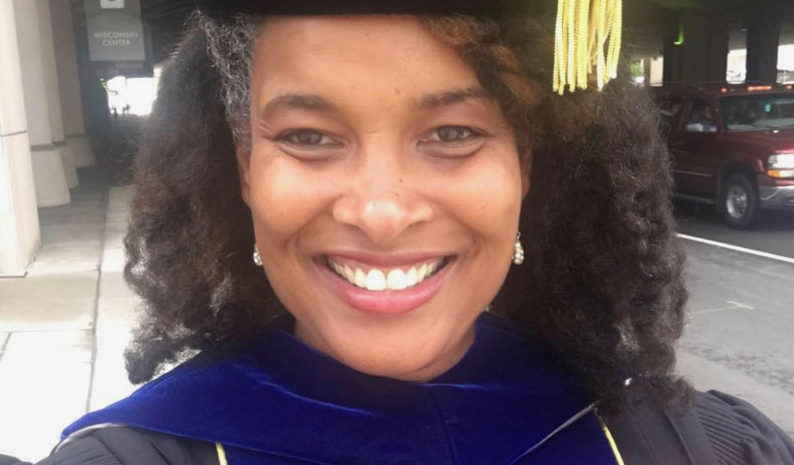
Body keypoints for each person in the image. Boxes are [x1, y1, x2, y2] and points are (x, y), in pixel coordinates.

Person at [9, 1, 793, 464]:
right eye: (309, 137)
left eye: (452, 133)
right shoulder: (138, 455)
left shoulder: (684, 446)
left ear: (525, 165)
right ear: (246, 168)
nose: (380, 212)